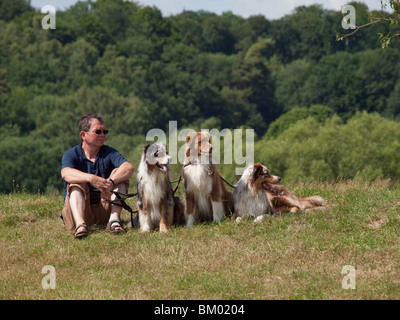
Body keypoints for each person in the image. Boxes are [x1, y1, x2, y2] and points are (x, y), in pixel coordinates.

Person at [61, 113, 135, 238]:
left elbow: (128, 167)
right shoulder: (71, 154)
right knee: (75, 182)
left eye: (104, 132)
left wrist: (110, 183)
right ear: (83, 135)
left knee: (121, 177)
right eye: (98, 132)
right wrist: (91, 178)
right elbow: (66, 173)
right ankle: (80, 226)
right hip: (77, 213)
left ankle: (114, 221)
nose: (102, 135)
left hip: (103, 208)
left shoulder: (109, 152)